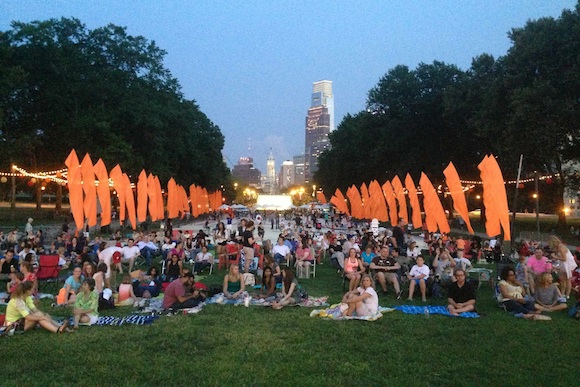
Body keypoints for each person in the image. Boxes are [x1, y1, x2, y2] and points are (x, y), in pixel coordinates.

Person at [4, 281, 69, 334]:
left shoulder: (27, 297)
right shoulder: (17, 301)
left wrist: (44, 315)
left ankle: (60, 327)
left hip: (21, 320)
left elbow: (35, 310)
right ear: (27, 290)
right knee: (39, 317)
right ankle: (57, 329)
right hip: (13, 326)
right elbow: (28, 316)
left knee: (41, 315)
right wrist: (42, 317)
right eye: (33, 289)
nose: (34, 291)